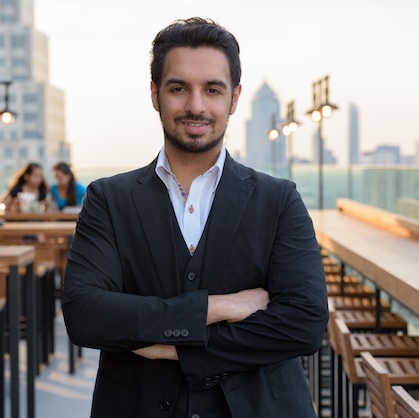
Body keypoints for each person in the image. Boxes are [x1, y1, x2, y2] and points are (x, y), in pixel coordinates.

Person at [61, 17, 328, 418]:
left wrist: (172, 347)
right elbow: (85, 315)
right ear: (155, 94)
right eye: (178, 88)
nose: (196, 106)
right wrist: (218, 307)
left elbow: (305, 322)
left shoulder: (279, 200)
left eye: (213, 89)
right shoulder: (108, 199)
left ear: (234, 98)